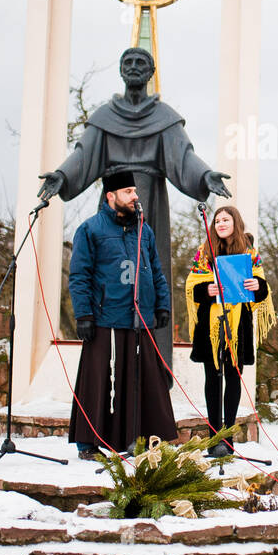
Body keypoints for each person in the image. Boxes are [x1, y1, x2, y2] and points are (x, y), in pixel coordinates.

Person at [37, 48, 231, 372]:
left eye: (141, 63)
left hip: (150, 200)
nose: (134, 67)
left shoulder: (165, 118)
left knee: (149, 274)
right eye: (128, 63)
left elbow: (184, 156)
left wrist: (204, 175)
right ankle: (109, 362)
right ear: (121, 71)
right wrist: (62, 176)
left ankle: (151, 369)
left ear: (151, 71)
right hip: (113, 206)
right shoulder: (104, 118)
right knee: (109, 273)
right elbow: (83, 155)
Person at [67, 170, 177, 457]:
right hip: (103, 317)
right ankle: (87, 443)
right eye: (129, 191)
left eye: (135, 191)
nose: (135, 196)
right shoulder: (90, 230)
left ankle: (138, 439)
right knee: (97, 379)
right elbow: (79, 276)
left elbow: (156, 271)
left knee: (141, 379)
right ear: (111, 196)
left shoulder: (144, 230)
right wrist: (84, 315)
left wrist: (162, 305)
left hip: (139, 317)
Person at [184, 205, 275, 457]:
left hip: (238, 324)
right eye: (216, 220)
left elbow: (261, 289)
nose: (220, 223)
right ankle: (214, 438)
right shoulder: (204, 252)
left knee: (233, 378)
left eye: (225, 219)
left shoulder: (249, 251)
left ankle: (229, 438)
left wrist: (257, 285)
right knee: (212, 378)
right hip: (211, 324)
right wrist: (208, 290)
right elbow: (192, 286)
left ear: (236, 222)